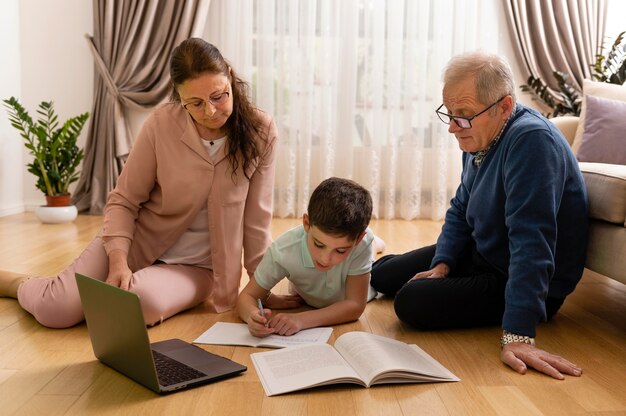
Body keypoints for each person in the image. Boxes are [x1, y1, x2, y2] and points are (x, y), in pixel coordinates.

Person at [0, 38, 278, 328]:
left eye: (218, 96)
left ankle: (75, 289)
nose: (209, 111)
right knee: (54, 311)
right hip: (136, 242)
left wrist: (262, 289)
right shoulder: (161, 124)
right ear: (179, 98)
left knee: (130, 306)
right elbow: (124, 200)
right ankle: (20, 283)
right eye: (195, 103)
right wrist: (118, 261)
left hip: (197, 268)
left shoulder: (262, 131)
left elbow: (257, 221)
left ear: (230, 78)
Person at [370, 52, 588, 380]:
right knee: (382, 274)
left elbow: (532, 242)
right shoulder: (479, 138)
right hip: (485, 252)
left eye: (465, 115)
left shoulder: (532, 142)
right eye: (450, 114)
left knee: (411, 303)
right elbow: (460, 209)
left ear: (504, 106)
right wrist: (443, 263)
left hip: (518, 275)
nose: (453, 128)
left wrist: (519, 335)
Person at [238, 177, 376, 337]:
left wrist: (302, 320)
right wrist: (252, 317)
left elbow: (355, 305)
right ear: (306, 223)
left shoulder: (362, 244)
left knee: (378, 268)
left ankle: (375, 246)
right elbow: (247, 296)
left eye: (340, 251)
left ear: (358, 239)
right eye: (318, 244)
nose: (325, 259)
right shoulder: (283, 250)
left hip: (366, 273)